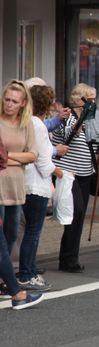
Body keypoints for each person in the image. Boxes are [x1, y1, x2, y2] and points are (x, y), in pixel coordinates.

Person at [52, 83, 99, 273]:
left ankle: (70, 257)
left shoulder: (92, 118)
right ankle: (68, 259)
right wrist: (80, 122)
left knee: (79, 215)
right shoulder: (68, 116)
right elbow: (68, 136)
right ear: (79, 99)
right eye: (89, 99)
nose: (93, 103)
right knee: (76, 211)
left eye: (94, 99)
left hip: (85, 172)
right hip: (68, 172)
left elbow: (93, 142)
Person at [18, 85, 57, 291]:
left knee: (24, 231)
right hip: (36, 184)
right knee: (33, 232)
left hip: (22, 181)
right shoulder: (39, 125)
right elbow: (43, 160)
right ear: (47, 105)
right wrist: (58, 172)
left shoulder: (23, 122)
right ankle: (28, 273)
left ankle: (27, 271)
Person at [0, 81, 38, 258]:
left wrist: (6, 156)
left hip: (16, 187)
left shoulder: (26, 124)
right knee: (1, 237)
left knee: (12, 234)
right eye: (7, 99)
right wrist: (20, 159)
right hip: (1, 183)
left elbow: (33, 155)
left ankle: (4, 270)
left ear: (23, 103)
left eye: (14, 101)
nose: (9, 104)